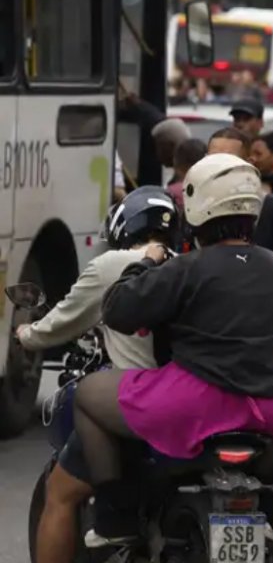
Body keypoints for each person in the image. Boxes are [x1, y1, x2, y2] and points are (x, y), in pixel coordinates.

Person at [81, 155, 273, 547]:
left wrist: (143, 264)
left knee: (86, 395)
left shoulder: (187, 267)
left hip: (196, 403)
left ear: (197, 208)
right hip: (269, 408)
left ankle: (116, 518)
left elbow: (118, 310)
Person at [21, 188, 174, 563]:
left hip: (136, 403)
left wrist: (25, 334)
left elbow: (60, 322)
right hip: (197, 401)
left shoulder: (113, 265)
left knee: (60, 493)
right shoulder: (193, 264)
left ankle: (116, 521)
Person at [208, 128, 273, 267]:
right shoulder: (195, 207)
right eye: (211, 160)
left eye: (228, 161)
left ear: (249, 163)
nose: (217, 167)